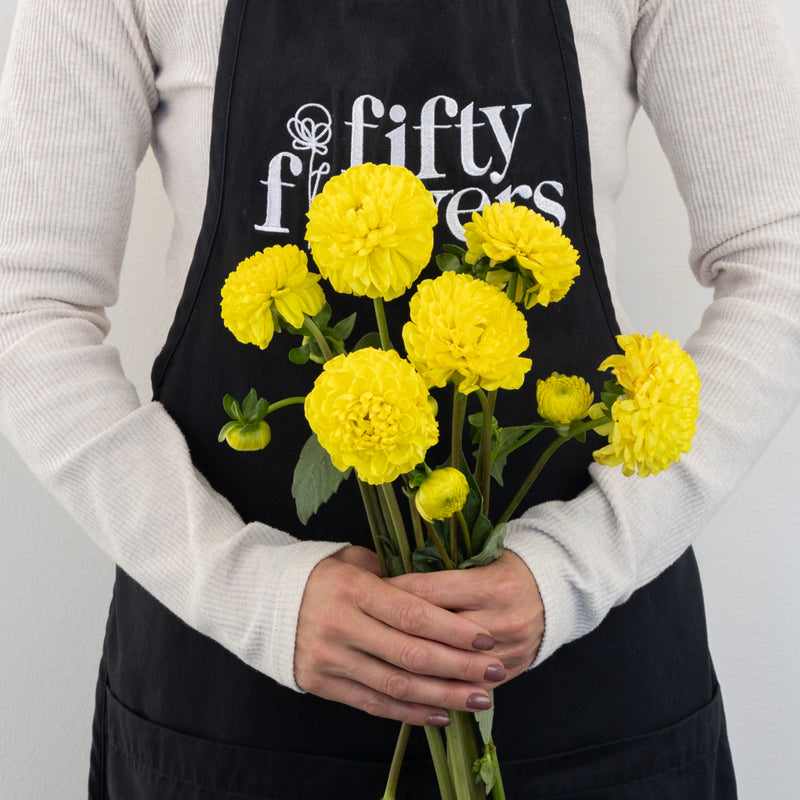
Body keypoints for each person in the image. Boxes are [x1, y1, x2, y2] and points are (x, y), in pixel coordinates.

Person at [1, 0, 798, 797]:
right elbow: (28, 303)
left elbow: (780, 255)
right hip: (234, 705)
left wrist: (572, 569)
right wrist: (255, 595)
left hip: (583, 704)